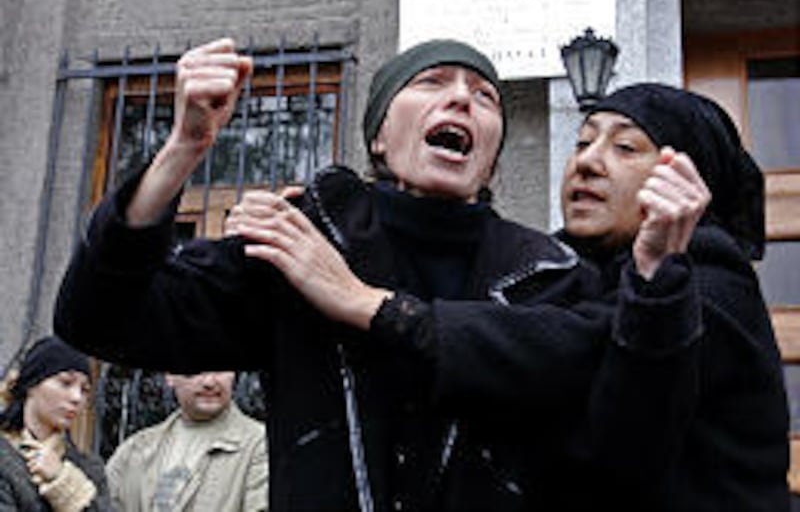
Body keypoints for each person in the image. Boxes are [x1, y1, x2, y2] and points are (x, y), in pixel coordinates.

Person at [55, 38, 694, 511]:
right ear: (380, 138)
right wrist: (182, 151)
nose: (460, 100)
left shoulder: (554, 275)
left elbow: (625, 439)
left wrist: (360, 302)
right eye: (432, 82)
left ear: (492, 157)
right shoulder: (297, 239)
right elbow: (97, 318)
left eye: (484, 96)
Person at [555, 83, 790, 511]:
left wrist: (412, 319)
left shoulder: (710, 285)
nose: (586, 161)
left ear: (688, 183)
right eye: (583, 142)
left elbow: (563, 345)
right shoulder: (567, 267)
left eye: (625, 146)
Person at [106, 370, 268, 511]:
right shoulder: (134, 450)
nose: (209, 382)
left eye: (220, 368)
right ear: (170, 376)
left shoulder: (259, 445)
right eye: (196, 369)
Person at [0, 335, 112, 511]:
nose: (77, 397)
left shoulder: (90, 468)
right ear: (32, 384)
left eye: (85, 390)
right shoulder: (4, 457)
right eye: (66, 383)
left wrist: (63, 481)